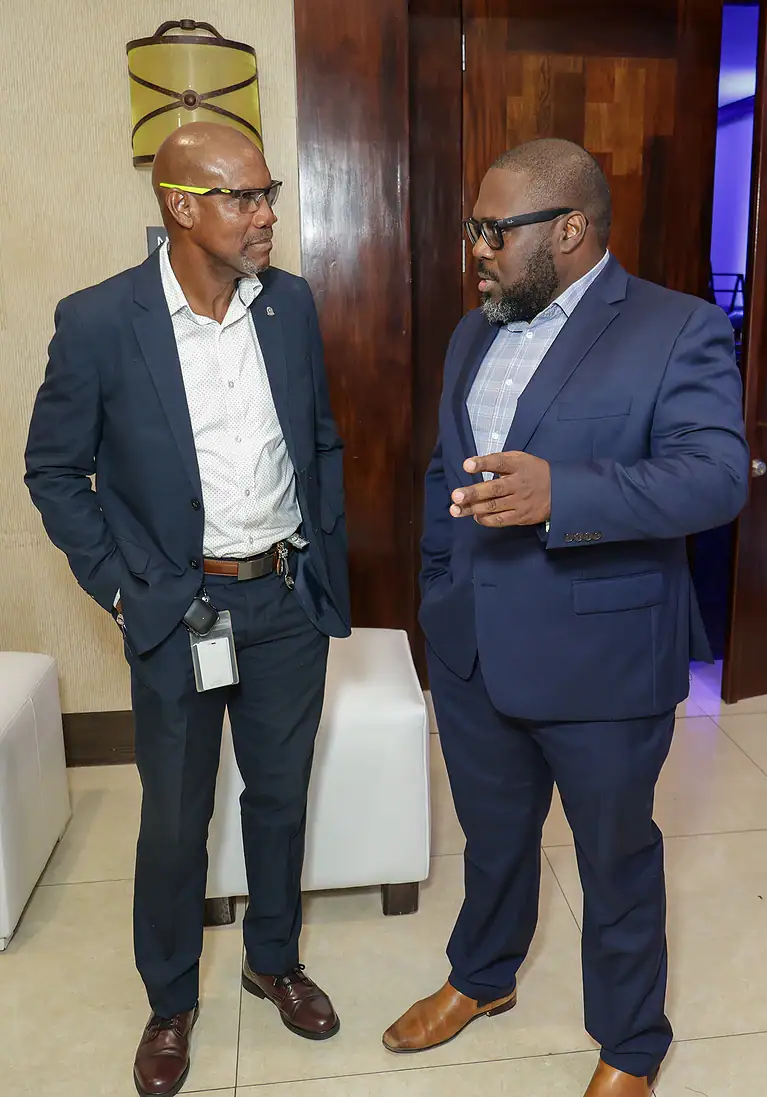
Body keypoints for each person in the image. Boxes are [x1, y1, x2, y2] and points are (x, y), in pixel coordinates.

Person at [382, 139, 749, 1096]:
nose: (476, 249)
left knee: (614, 856)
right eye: (475, 228)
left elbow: (713, 477)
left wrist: (564, 494)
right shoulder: (474, 332)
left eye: (493, 230)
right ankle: (481, 977)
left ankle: (630, 1041)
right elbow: (444, 472)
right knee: (492, 836)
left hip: (602, 655)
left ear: (570, 230)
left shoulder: (677, 328)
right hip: (470, 644)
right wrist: (435, 589)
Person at [25, 122, 350, 1097]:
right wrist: (126, 587)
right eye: (245, 197)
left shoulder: (288, 306)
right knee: (173, 816)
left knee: (281, 795)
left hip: (284, 598)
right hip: (180, 608)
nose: (267, 213)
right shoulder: (98, 321)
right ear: (182, 206)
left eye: (267, 192)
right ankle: (170, 1000)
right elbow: (53, 470)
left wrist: (320, 548)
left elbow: (320, 437)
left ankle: (271, 957)